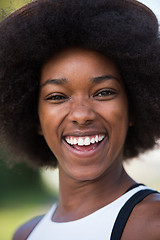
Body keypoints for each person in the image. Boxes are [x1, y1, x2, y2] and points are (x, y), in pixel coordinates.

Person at [0, 0, 160, 239]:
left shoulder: (153, 225)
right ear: (35, 118)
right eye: (57, 96)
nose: (82, 114)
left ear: (133, 108)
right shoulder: (25, 234)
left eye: (104, 92)